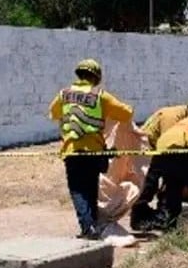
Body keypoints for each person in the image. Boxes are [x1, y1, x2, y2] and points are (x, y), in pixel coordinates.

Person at [48, 58, 133, 240]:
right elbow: (127, 113)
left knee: (78, 190)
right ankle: (92, 224)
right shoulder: (100, 95)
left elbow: (53, 113)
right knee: (91, 188)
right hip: (95, 151)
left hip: (73, 150)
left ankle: (88, 228)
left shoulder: (64, 94)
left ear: (79, 74)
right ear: (96, 77)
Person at [131, 97, 188, 231]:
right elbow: (169, 146)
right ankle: (140, 217)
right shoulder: (172, 117)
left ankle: (163, 218)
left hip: (159, 149)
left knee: (170, 181)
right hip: (147, 147)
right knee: (150, 184)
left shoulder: (186, 119)